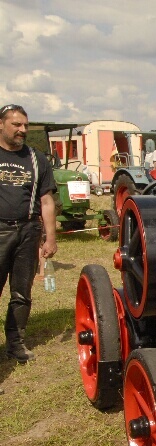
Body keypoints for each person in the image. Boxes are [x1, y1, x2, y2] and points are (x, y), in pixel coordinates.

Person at [0, 104, 58, 363]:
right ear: (1, 125)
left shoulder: (37, 159)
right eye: (16, 124)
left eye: (25, 125)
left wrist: (50, 238)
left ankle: (15, 344)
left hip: (28, 230)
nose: (22, 130)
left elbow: (46, 201)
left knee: (22, 292)